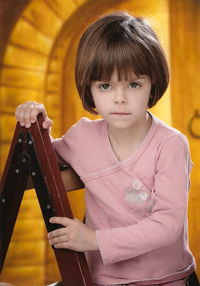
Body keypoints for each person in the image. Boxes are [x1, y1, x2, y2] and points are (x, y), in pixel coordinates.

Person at [15, 11, 195, 286]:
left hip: (166, 279)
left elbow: (167, 227)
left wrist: (92, 239)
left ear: (152, 86)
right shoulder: (83, 137)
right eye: (106, 86)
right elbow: (41, 158)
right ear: (90, 91)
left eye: (133, 84)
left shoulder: (170, 145)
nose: (120, 98)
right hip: (103, 280)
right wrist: (37, 123)